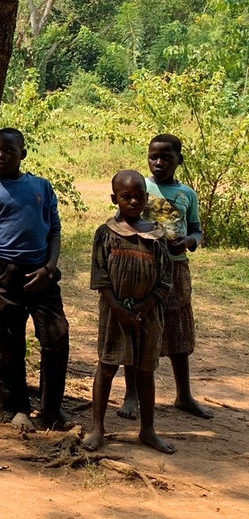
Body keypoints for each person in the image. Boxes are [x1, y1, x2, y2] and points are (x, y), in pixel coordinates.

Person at [0, 127, 72, 431]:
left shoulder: (41, 186)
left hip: (42, 273)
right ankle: (16, 408)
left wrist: (50, 268)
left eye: (9, 151)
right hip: (5, 273)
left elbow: (54, 229)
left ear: (23, 154)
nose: (1, 156)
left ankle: (52, 409)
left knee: (57, 337)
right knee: (10, 342)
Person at [120, 134, 211, 420]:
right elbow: (122, 221)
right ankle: (131, 394)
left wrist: (187, 241)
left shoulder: (188, 194)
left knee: (177, 330)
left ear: (179, 160)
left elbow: (197, 230)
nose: (159, 163)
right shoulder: (139, 187)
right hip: (141, 268)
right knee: (137, 327)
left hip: (175, 269)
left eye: (166, 158)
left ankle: (184, 395)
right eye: (153, 157)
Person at [83, 170, 174, 454]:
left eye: (139, 196)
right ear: (114, 198)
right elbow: (100, 277)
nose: (133, 201)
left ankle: (147, 429)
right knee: (107, 366)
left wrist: (144, 307)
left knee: (145, 372)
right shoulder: (106, 234)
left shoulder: (157, 235)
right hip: (114, 314)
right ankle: (97, 428)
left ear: (147, 198)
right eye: (126, 197)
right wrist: (119, 309)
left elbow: (165, 280)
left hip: (149, 315)